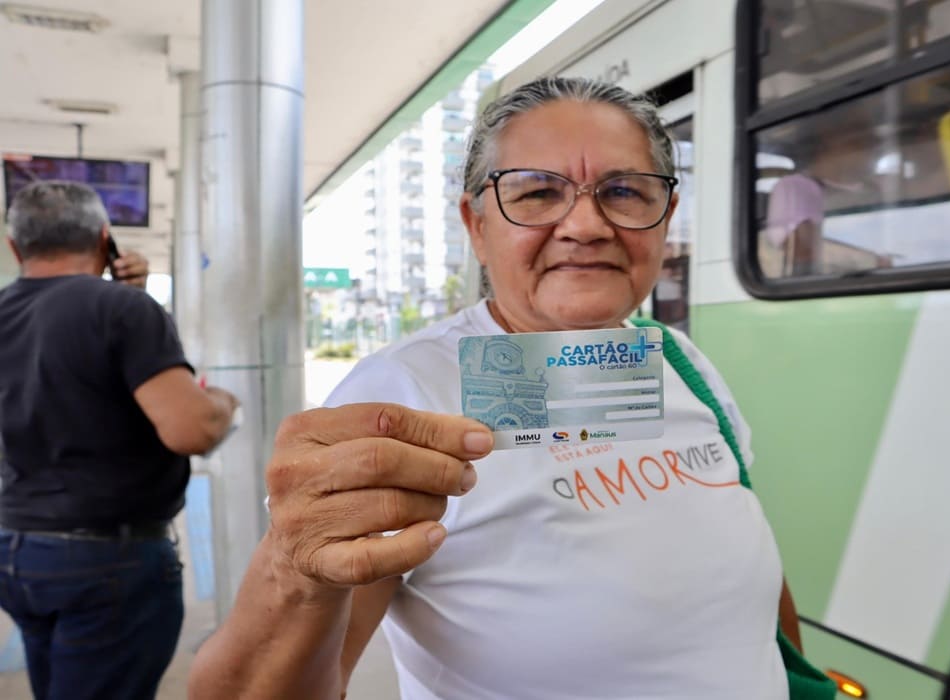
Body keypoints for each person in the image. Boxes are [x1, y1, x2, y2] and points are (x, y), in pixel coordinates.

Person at [190, 77, 802, 699]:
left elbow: (757, 590)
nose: (586, 225)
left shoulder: (681, 361)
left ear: (664, 219)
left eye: (623, 191)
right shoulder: (404, 393)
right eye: (537, 192)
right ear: (477, 226)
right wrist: (294, 570)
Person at [0, 181, 240, 700]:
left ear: (15, 247)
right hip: (108, 561)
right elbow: (193, 429)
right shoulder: (122, 309)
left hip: (16, 547)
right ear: (104, 239)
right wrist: (223, 402)